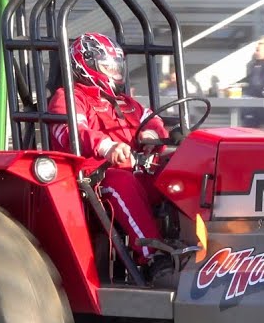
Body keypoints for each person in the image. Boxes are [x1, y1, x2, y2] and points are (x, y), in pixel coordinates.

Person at [47, 33, 172, 277]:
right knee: (120, 182)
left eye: (117, 67)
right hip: (93, 178)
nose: (115, 73)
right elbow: (72, 132)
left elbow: (154, 120)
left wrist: (150, 133)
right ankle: (153, 257)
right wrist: (107, 146)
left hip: (135, 172)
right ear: (87, 65)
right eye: (108, 67)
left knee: (180, 171)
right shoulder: (70, 98)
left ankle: (201, 248)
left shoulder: (125, 103)